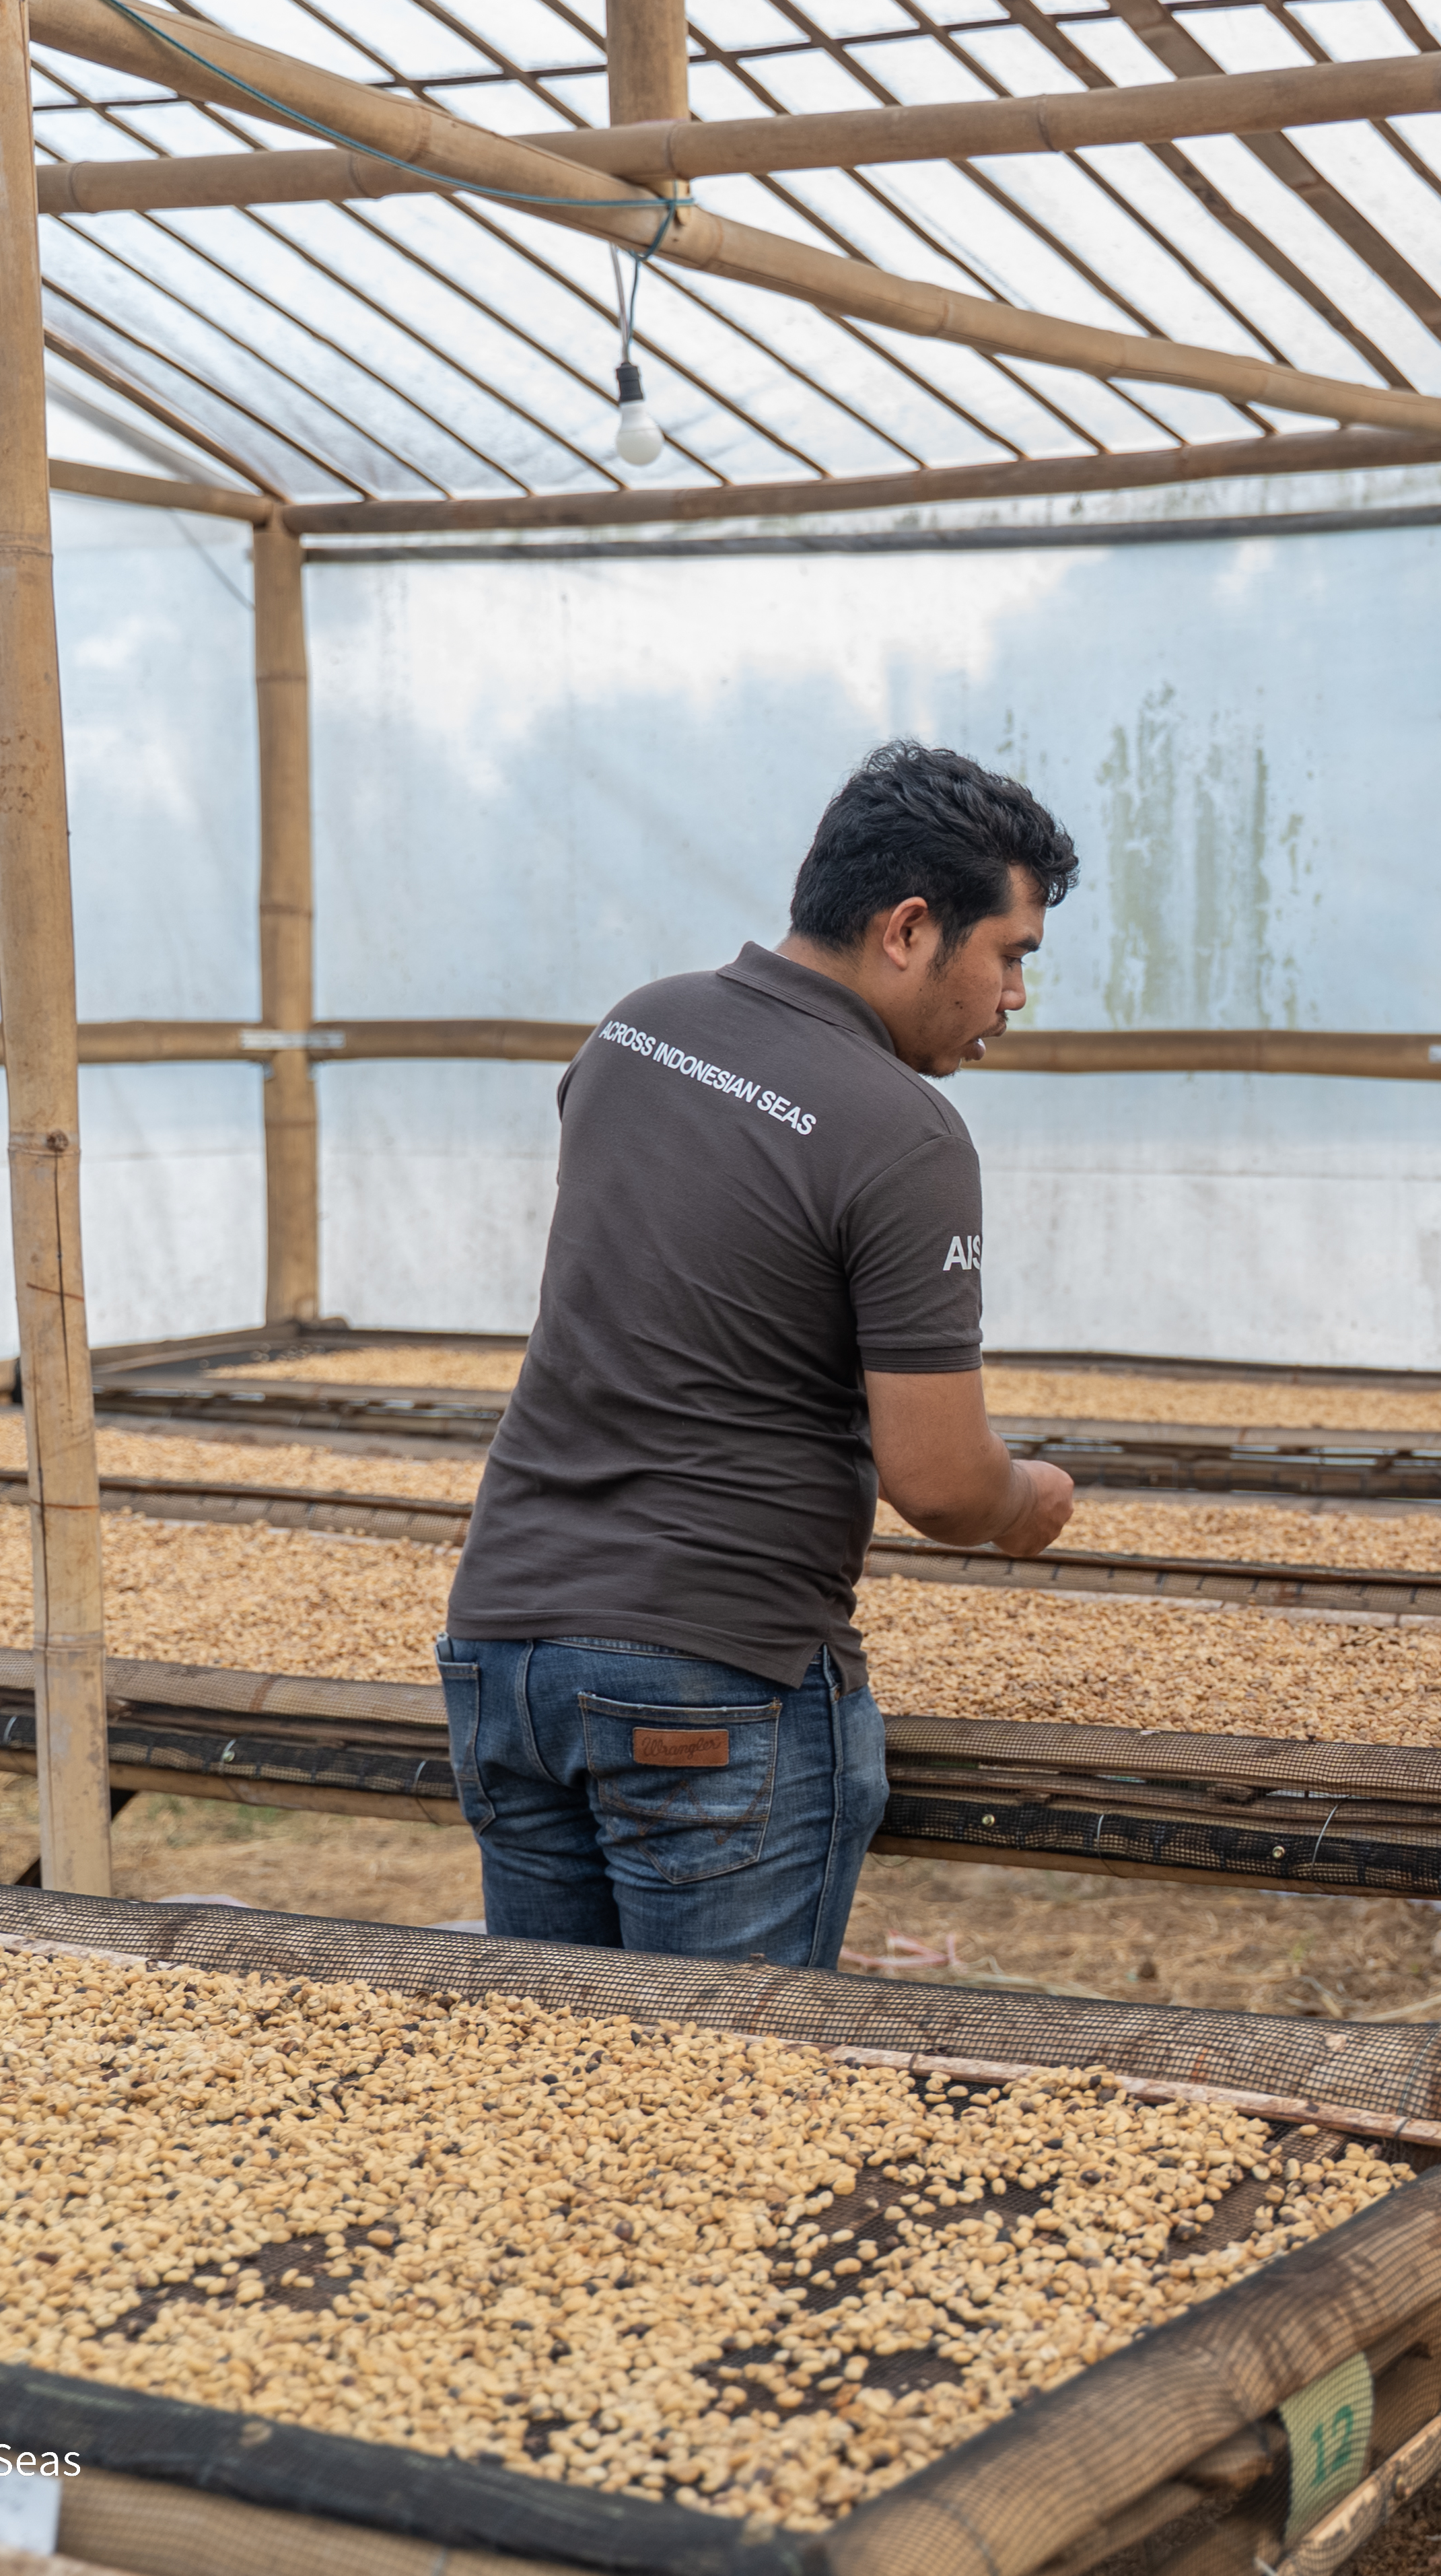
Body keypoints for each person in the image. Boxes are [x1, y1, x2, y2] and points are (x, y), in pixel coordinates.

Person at [438, 742, 1082, 1968]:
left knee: (550, 2094)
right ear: (907, 929)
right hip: (708, 1673)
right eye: (1011, 955)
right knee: (726, 2117)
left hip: (505, 1651)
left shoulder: (638, 1030)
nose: (1013, 996)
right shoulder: (905, 1131)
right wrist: (1025, 1500)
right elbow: (940, 1481)